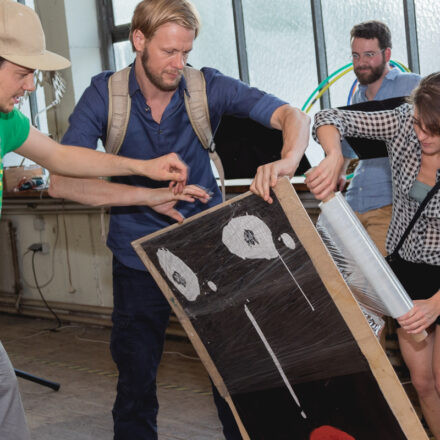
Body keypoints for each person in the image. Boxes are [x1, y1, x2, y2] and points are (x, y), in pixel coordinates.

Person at [48, 0, 310, 438]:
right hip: (137, 259)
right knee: (135, 377)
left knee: (232, 371)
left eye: (186, 52)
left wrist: (289, 159)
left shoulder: (207, 87)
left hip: (208, 248)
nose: (179, 64)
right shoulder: (104, 95)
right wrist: (146, 194)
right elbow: (61, 182)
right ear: (138, 40)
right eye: (169, 52)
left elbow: (291, 115)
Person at [0, 1, 208, 439]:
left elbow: (61, 157)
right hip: (134, 262)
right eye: (21, 72)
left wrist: (147, 173)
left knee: (3, 395)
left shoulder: (7, 123)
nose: (30, 84)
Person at [305, 73, 440, 439]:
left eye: (433, 130)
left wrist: (435, 304)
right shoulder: (401, 121)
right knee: (423, 383)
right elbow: (328, 117)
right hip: (406, 275)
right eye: (418, 124)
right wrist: (334, 156)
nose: (422, 135)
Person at [339, 20, 420, 256]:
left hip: (390, 207)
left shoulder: (414, 85)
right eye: (356, 55)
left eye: (369, 55)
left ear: (387, 54)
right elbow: (348, 146)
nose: (361, 63)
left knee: (378, 286)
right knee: (337, 279)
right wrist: (339, 171)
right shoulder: (358, 97)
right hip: (354, 202)